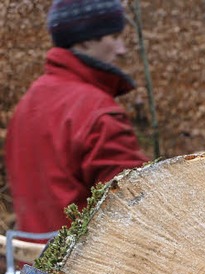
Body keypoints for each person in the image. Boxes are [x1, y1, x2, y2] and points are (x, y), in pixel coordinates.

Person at [5, 0, 148, 235]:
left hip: (31, 267)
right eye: (114, 37)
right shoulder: (97, 112)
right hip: (84, 268)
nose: (122, 49)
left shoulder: (27, 105)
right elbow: (139, 205)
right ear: (85, 40)